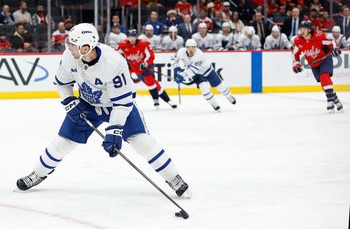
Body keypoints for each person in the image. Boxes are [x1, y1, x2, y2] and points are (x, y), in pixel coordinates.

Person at [16, 23, 190, 199]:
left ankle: (173, 177)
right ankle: (38, 173)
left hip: (118, 106)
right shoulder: (70, 55)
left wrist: (114, 131)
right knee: (62, 142)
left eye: (72, 44)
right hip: (87, 104)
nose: (68, 46)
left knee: (142, 142)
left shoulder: (114, 63)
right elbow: (62, 84)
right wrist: (70, 102)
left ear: (85, 48)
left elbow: (122, 103)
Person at [117, 29, 177, 109]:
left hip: (147, 66)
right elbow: (115, 55)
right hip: (136, 70)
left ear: (136, 37)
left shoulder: (144, 44)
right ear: (127, 37)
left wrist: (146, 63)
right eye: (130, 37)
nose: (132, 39)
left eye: (133, 37)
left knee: (150, 81)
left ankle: (156, 100)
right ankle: (169, 101)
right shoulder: (122, 45)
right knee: (153, 83)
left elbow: (151, 56)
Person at [292, 20, 343, 113]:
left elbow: (331, 42)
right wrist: (296, 63)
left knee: (324, 77)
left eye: (304, 28)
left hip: (325, 59)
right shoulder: (298, 41)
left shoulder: (319, 36)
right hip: (313, 64)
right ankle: (336, 99)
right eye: (301, 28)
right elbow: (295, 53)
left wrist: (335, 48)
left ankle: (330, 101)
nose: (301, 31)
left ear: (310, 29)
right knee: (324, 83)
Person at [172, 39, 236, 111]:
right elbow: (173, 59)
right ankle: (214, 103)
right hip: (198, 75)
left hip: (207, 71)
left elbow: (193, 70)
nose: (191, 49)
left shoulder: (199, 55)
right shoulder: (181, 52)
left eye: (193, 47)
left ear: (196, 47)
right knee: (204, 88)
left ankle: (229, 96)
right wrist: (176, 69)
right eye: (189, 47)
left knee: (221, 87)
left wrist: (182, 76)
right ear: (186, 48)